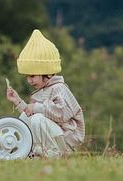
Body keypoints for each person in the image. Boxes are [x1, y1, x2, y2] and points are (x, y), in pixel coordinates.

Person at [6, 29, 85, 158]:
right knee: (26, 119)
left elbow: (61, 113)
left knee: (37, 119)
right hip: (53, 134)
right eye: (27, 76)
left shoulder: (59, 88)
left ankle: (51, 153)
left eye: (32, 75)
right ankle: (24, 150)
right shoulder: (40, 91)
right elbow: (32, 112)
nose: (29, 80)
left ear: (47, 72)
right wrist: (18, 101)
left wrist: (36, 108)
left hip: (66, 139)